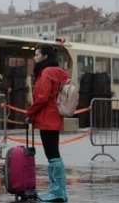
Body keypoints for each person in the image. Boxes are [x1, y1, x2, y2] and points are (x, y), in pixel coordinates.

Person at [26, 44, 70, 202]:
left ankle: (57, 191)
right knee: (54, 154)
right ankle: (59, 190)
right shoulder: (58, 71)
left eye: (37, 55)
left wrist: (30, 111)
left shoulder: (46, 72)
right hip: (55, 116)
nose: (34, 57)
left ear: (44, 56)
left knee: (52, 155)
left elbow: (42, 97)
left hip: (47, 117)